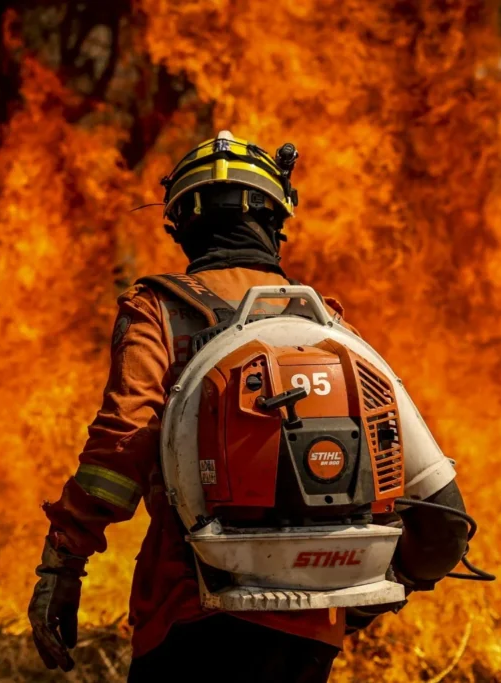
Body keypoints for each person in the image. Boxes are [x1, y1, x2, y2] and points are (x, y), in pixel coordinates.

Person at [28, 131, 471, 683]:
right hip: (312, 628)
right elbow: (444, 519)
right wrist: (366, 588)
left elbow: (120, 447)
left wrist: (63, 563)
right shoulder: (329, 329)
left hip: (189, 608)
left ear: (181, 224)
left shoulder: (158, 312)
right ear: (277, 221)